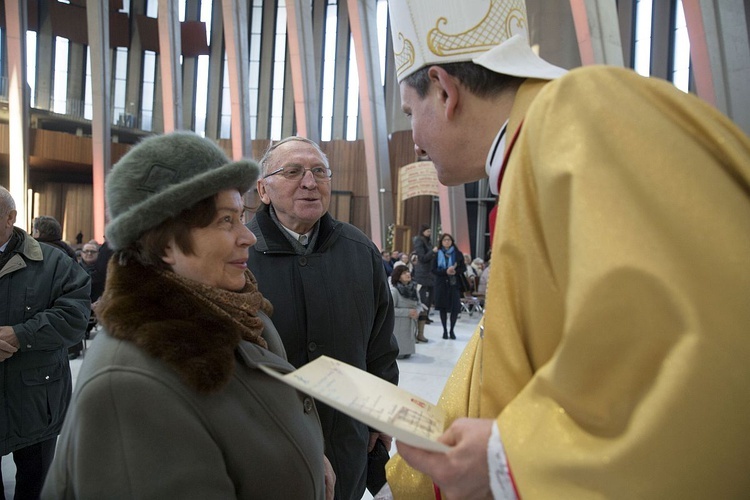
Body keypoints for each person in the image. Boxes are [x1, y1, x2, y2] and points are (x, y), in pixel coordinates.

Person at [383, 0, 750, 498]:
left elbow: (697, 339)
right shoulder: (527, 157)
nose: (416, 142)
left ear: (444, 91)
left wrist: (513, 457)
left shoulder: (579, 110)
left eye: (409, 113)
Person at [41, 132, 334, 499]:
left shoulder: (235, 309)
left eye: (242, 217)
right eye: (226, 221)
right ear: (165, 243)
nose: (249, 237)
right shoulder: (129, 386)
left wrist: (304, 453)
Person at [246, 135, 399, 500]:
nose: (310, 183)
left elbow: (380, 346)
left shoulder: (359, 250)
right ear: (263, 190)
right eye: (293, 171)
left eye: (319, 172)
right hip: (269, 443)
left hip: (347, 438)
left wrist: (380, 414)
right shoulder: (240, 255)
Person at [0, 186, 91, 499]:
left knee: (35, 487)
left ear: (10, 217)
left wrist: (22, 334)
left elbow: (75, 317)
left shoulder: (54, 263)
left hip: (36, 401)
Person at [431, 233, 465, 340]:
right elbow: (433, 269)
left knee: (455, 308)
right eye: (445, 240)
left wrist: (455, 271)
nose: (447, 242)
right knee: (443, 308)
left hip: (454, 283)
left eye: (449, 240)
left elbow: (463, 268)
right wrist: (445, 271)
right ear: (441, 242)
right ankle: (445, 330)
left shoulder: (458, 254)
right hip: (441, 284)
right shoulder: (437, 254)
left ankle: (452, 330)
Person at [390, 266, 427, 356]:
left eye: (408, 272)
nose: (408, 274)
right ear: (398, 276)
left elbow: (419, 304)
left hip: (411, 324)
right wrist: (408, 312)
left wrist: (417, 312)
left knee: (407, 352)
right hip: (398, 326)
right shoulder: (394, 291)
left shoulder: (414, 290)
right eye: (404, 273)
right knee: (400, 353)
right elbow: (390, 310)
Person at [411, 224, 436, 326]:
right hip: (422, 273)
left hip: (430, 273)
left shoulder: (428, 242)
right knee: (423, 298)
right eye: (428, 231)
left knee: (430, 298)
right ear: (423, 232)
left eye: (430, 231)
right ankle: (422, 317)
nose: (429, 233)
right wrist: (432, 252)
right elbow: (422, 258)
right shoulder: (419, 241)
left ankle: (426, 316)